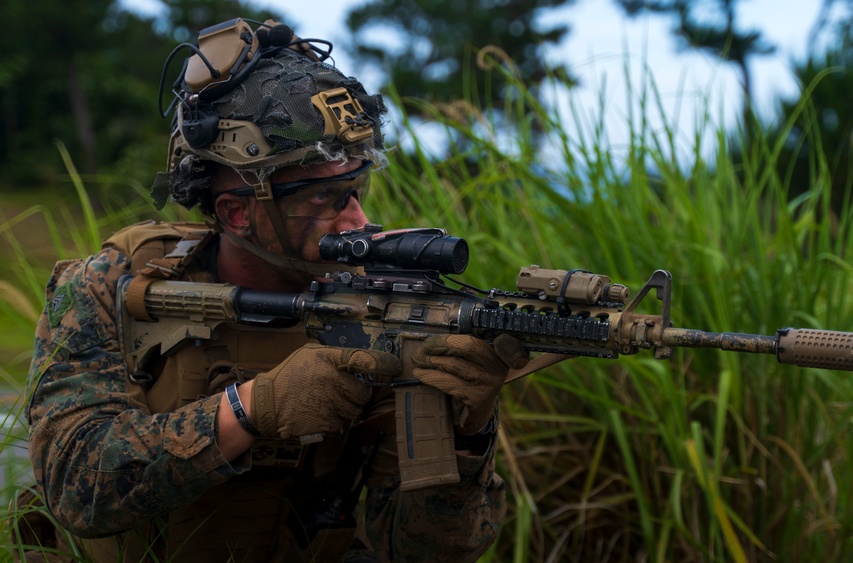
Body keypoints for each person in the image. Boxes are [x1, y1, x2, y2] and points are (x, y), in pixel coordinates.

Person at [17, 17, 524, 562]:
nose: (360, 220)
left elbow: (422, 552)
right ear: (237, 213)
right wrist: (252, 409)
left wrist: (469, 432)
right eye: (327, 198)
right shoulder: (113, 284)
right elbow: (75, 489)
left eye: (358, 188)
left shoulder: (381, 308)